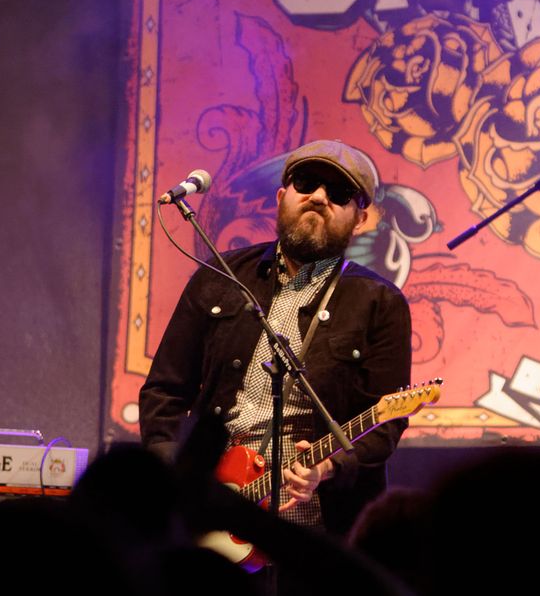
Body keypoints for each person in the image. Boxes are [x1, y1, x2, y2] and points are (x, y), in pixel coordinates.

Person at [139, 139, 412, 536]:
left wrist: (330, 465)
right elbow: (164, 390)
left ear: (360, 219)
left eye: (338, 193)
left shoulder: (381, 302)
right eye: (306, 183)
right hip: (211, 510)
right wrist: (174, 474)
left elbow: (386, 421)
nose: (318, 197)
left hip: (317, 529)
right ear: (282, 197)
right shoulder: (221, 276)